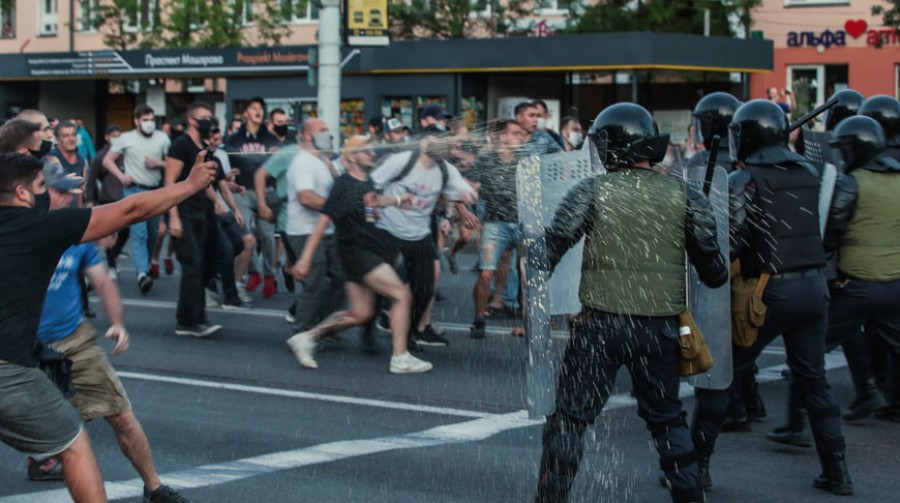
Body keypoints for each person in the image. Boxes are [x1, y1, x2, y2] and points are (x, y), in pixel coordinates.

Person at [535, 103, 727, 503]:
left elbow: (545, 255)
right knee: (668, 424)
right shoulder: (685, 193)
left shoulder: (591, 190)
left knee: (570, 421)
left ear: (607, 147)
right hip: (659, 328)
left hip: (598, 326)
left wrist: (530, 242)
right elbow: (715, 273)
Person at [0, 149, 217, 502]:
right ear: (23, 193)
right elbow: (131, 209)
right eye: (42, 185)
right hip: (9, 373)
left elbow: (103, 281)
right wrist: (190, 185)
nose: (50, 190)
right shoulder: (40, 226)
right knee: (74, 443)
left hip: (47, 349)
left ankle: (154, 487)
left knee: (115, 416)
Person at [695, 99, 853, 495]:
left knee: (721, 379)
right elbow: (823, 224)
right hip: (814, 288)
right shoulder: (810, 171)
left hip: (766, 291)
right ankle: (838, 473)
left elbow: (731, 242)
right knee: (815, 382)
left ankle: (695, 470)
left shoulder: (742, 180)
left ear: (746, 136)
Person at [288, 136, 433, 374]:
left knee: (361, 313)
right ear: (351, 157)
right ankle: (400, 357)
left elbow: (371, 203)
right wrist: (304, 259)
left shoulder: (366, 182)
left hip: (363, 252)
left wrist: (397, 200)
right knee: (401, 295)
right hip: (357, 252)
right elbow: (324, 221)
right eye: (366, 151)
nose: (372, 154)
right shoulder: (344, 185)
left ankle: (306, 337)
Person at [370, 125, 477, 348]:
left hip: (418, 234)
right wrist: (371, 217)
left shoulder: (446, 170)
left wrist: (469, 194)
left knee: (425, 288)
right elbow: (370, 188)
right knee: (380, 285)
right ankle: (369, 328)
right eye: (433, 141)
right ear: (423, 142)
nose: (437, 146)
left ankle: (408, 333)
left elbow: (462, 190)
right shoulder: (401, 161)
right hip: (387, 229)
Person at [165, 102, 225, 337]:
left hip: (202, 213)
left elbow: (205, 183)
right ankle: (187, 322)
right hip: (183, 212)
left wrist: (219, 200)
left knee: (200, 266)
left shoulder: (204, 147)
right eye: (204, 118)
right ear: (192, 120)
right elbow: (169, 182)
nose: (209, 122)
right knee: (192, 266)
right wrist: (173, 217)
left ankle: (197, 317)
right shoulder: (181, 145)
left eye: (211, 117)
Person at [282, 118, 345, 335]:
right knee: (315, 283)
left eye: (328, 130)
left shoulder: (321, 162)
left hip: (326, 230)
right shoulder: (303, 162)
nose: (328, 134)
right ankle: (302, 332)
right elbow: (306, 197)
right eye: (322, 131)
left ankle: (323, 327)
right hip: (304, 231)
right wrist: (337, 209)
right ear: (308, 136)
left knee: (340, 277)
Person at [103, 105, 172, 293]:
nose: (149, 123)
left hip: (155, 191)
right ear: (136, 121)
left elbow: (172, 163)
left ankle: (146, 267)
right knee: (139, 233)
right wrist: (121, 176)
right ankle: (142, 273)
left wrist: (157, 163)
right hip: (133, 190)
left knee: (153, 233)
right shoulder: (126, 138)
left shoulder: (162, 138)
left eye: (151, 119)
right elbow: (107, 161)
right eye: (145, 120)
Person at [468, 119, 526, 339]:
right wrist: (464, 209)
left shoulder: (526, 160)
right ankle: (478, 317)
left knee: (528, 273)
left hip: (523, 223)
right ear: (502, 137)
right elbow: (468, 184)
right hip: (495, 223)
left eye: (521, 133)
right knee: (485, 273)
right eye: (515, 133)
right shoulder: (486, 161)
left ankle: (529, 321)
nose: (520, 137)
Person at [225, 97, 280, 299]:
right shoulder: (234, 139)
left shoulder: (271, 138)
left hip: (267, 193)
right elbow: (226, 165)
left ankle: (269, 276)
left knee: (267, 235)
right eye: (254, 108)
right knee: (245, 235)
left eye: (261, 109)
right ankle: (254, 272)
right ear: (245, 113)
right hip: (243, 191)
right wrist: (228, 180)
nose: (258, 112)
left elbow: (278, 164)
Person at [86, 125, 129, 279]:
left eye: (119, 136)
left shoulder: (126, 154)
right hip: (107, 199)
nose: (116, 139)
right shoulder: (101, 156)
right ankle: (111, 264)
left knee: (125, 233)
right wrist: (90, 200)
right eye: (113, 136)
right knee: (108, 235)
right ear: (107, 138)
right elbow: (91, 179)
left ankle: (115, 254)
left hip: (125, 199)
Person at [47, 121, 87, 206]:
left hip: (74, 212)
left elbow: (81, 188)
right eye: (66, 136)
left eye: (73, 135)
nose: (71, 139)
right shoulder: (50, 158)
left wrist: (80, 211)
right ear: (57, 139)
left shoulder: (81, 159)